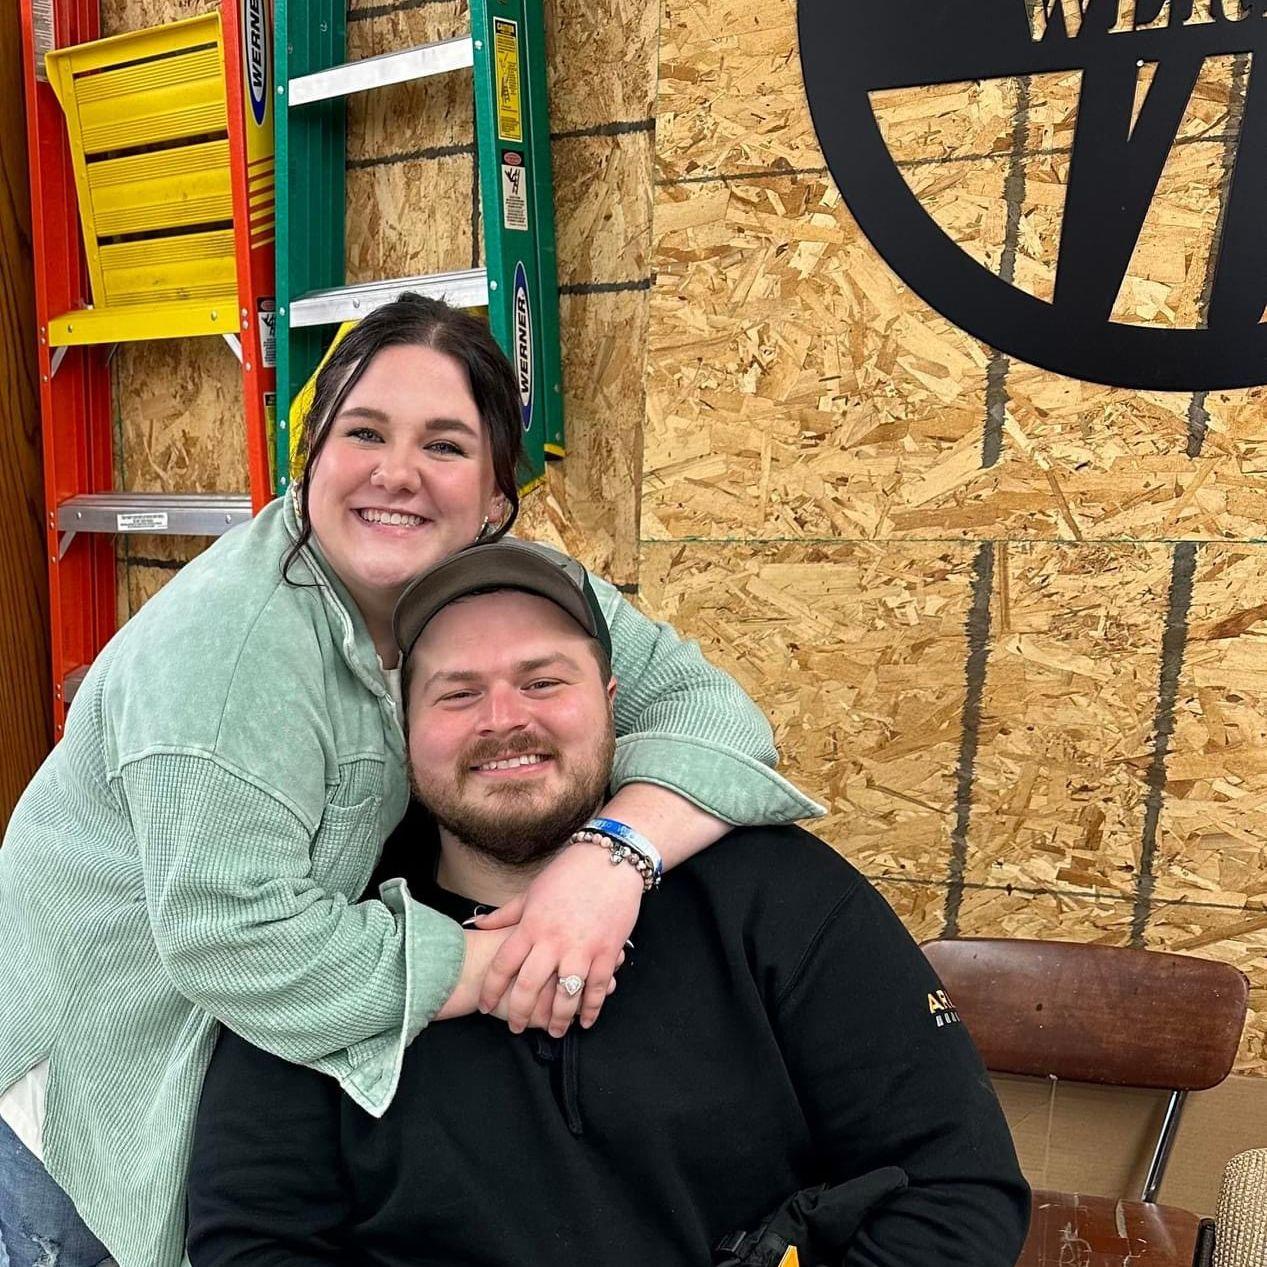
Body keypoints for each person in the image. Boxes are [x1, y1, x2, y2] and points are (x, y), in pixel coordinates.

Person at [0, 295, 821, 1267]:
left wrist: (609, 863)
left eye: (443, 444)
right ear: (309, 458)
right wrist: (517, 963)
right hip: (94, 1109)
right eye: (364, 433)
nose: (397, 472)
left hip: (236, 1074)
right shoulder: (228, 656)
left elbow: (715, 716)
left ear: (495, 496)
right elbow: (238, 940)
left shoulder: (501, 585)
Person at [186, 540, 1031, 1267]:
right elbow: (252, 1236)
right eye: (456, 692)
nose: (503, 719)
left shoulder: (777, 896)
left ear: (612, 702)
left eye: (542, 680)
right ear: (401, 728)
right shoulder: (322, 938)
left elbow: (955, 1188)